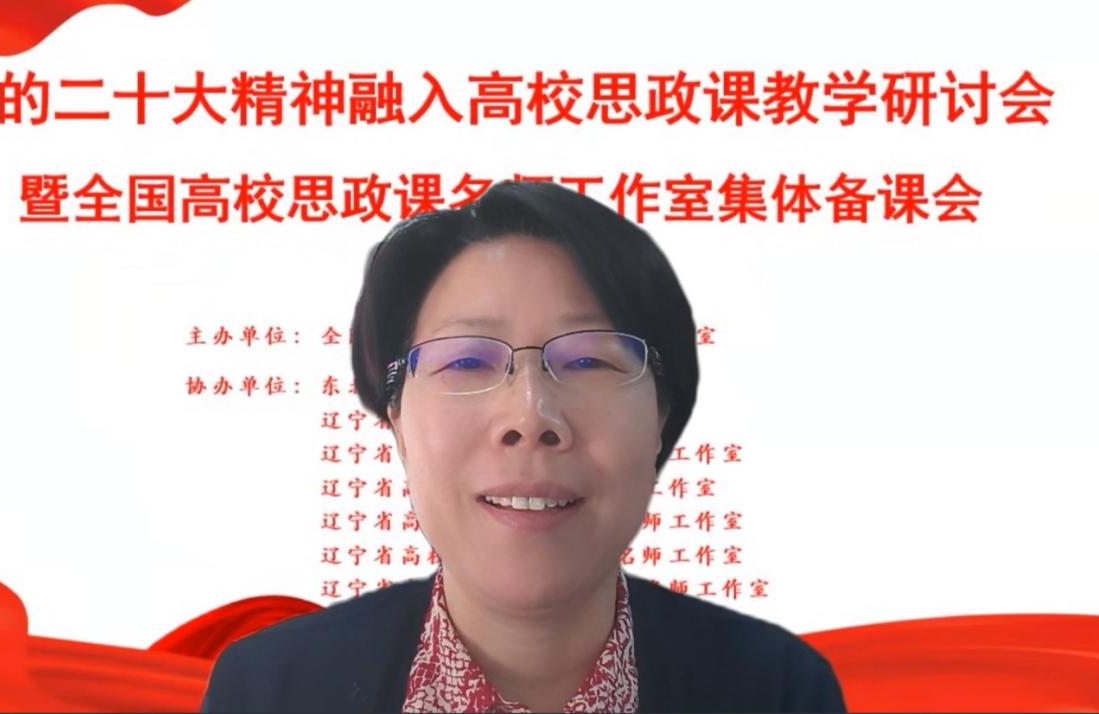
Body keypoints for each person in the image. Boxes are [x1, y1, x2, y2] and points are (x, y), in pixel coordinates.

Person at [201, 181, 846, 713]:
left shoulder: (782, 691)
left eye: (589, 359)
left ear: (660, 416)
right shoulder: (268, 692)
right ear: (396, 418)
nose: (530, 416)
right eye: (466, 361)